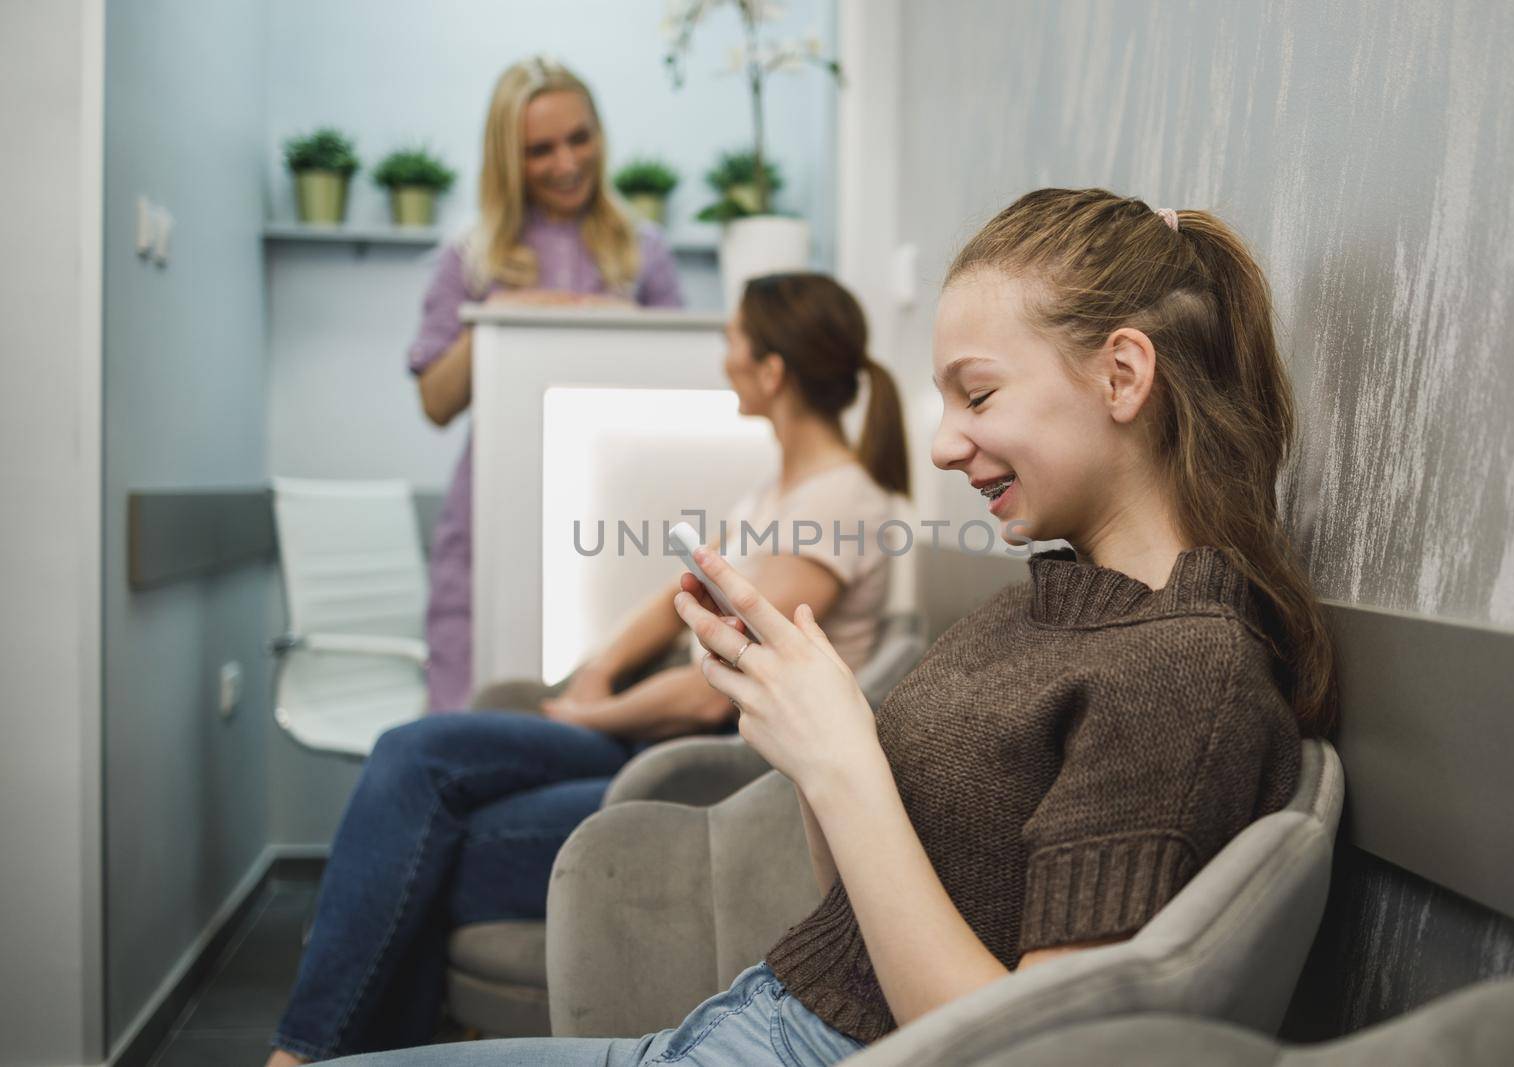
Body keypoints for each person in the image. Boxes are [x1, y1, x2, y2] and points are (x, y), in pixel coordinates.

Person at [320, 187, 1339, 1067]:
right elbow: (854, 905)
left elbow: (1019, 1051)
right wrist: (818, 752)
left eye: (977, 393)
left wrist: (845, 759)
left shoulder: (1183, 673)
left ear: (1122, 375)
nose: (942, 444)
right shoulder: (1032, 605)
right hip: (742, 1020)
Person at [265, 273, 911, 1065]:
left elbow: (731, 685)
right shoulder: (776, 493)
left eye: (733, 342)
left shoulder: (841, 498)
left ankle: (305, 1056)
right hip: (646, 728)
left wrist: (586, 715)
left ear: (772, 371)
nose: (724, 359)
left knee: (424, 834)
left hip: (712, 767)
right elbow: (680, 599)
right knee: (412, 759)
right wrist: (600, 669)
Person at [412, 56, 684, 712]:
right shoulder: (468, 257)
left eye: (579, 138)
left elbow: (684, 379)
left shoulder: (644, 253)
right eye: (541, 149)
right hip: (489, 518)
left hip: (610, 522)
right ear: (508, 158)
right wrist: (505, 318)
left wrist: (618, 319)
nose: (566, 162)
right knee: (467, 719)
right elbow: (435, 402)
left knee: (588, 718)